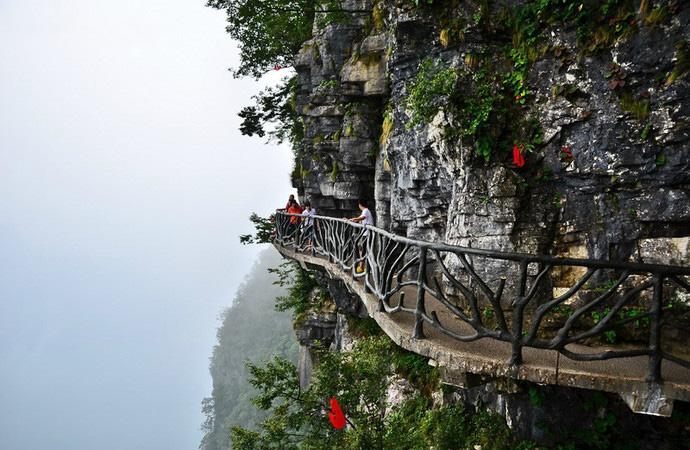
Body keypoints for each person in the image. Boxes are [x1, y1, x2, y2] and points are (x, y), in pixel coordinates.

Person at [349, 199, 374, 273]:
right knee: (362, 249)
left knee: (364, 250)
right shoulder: (365, 211)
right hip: (366, 233)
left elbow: (361, 218)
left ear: (360, 205)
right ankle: (362, 267)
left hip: (367, 233)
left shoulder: (366, 210)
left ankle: (362, 267)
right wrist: (350, 220)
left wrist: (353, 219)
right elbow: (359, 219)